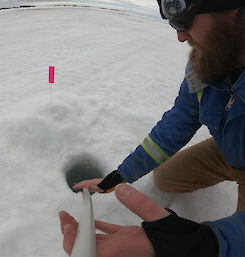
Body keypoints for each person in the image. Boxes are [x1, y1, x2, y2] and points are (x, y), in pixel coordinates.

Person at [59, 0, 245, 256]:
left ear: (233, 9)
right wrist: (119, 176)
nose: (180, 36)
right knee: (166, 178)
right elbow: (176, 124)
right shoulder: (205, 65)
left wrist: (202, 245)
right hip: (228, 150)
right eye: (173, 24)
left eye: (184, 22)